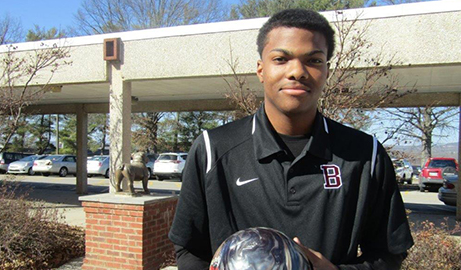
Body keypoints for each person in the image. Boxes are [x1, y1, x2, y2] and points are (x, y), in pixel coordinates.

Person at [169, 8, 413, 270]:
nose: (297, 71)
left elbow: (389, 254)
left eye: (314, 60)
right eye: (281, 59)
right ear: (261, 70)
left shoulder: (366, 154)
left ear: (327, 71)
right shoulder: (212, 149)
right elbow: (188, 249)